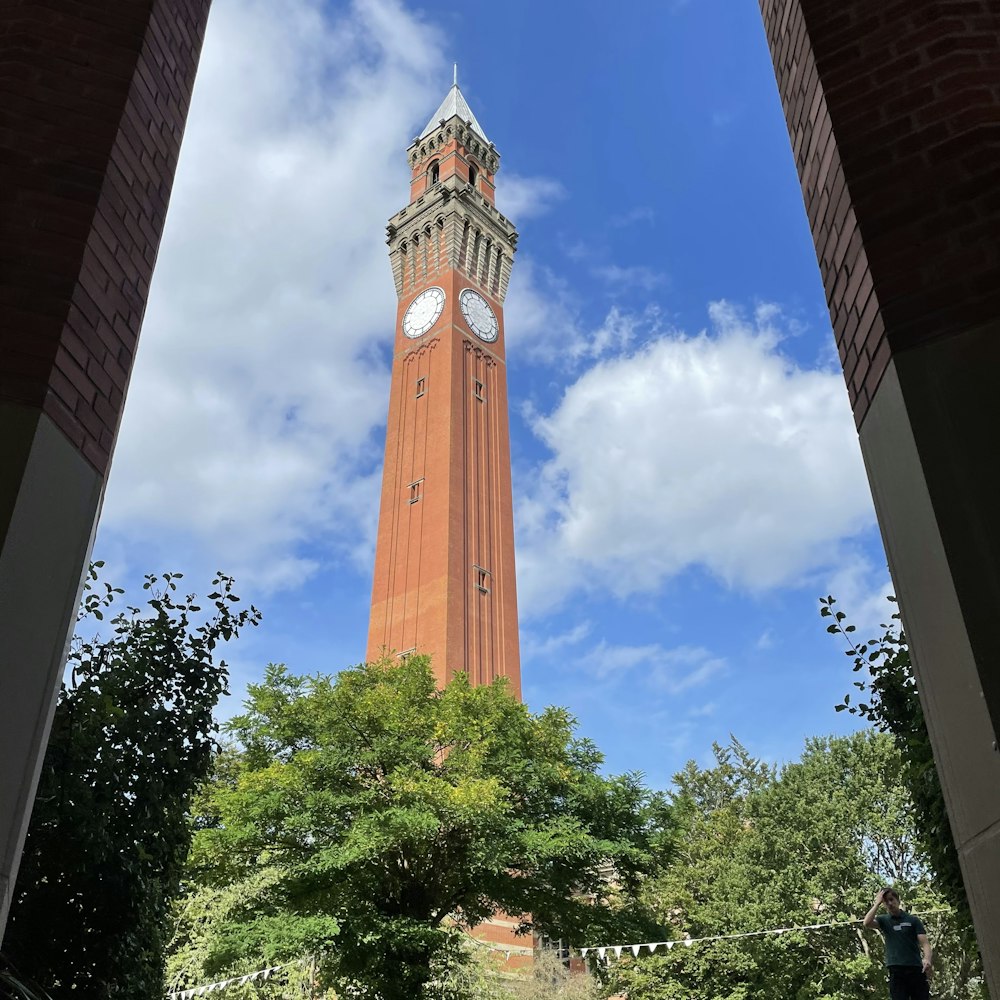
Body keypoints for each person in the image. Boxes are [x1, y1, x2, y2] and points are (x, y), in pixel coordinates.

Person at [863, 887, 933, 1000]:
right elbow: (867, 923)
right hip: (896, 971)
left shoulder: (913, 920)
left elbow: (925, 943)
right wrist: (877, 904)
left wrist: (927, 959)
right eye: (886, 901)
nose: (890, 903)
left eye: (892, 899)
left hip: (915, 968)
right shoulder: (883, 920)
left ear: (898, 900)